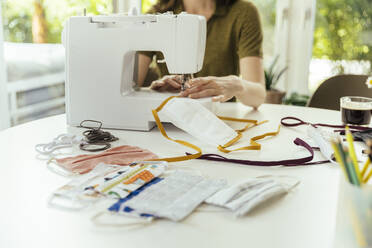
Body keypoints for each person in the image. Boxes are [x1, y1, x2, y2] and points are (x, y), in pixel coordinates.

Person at [137, 0, 266, 108]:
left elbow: (258, 96)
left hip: (221, 118)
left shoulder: (243, 13)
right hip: (169, 120)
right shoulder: (155, 17)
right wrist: (152, 92)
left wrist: (237, 84)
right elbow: (129, 88)